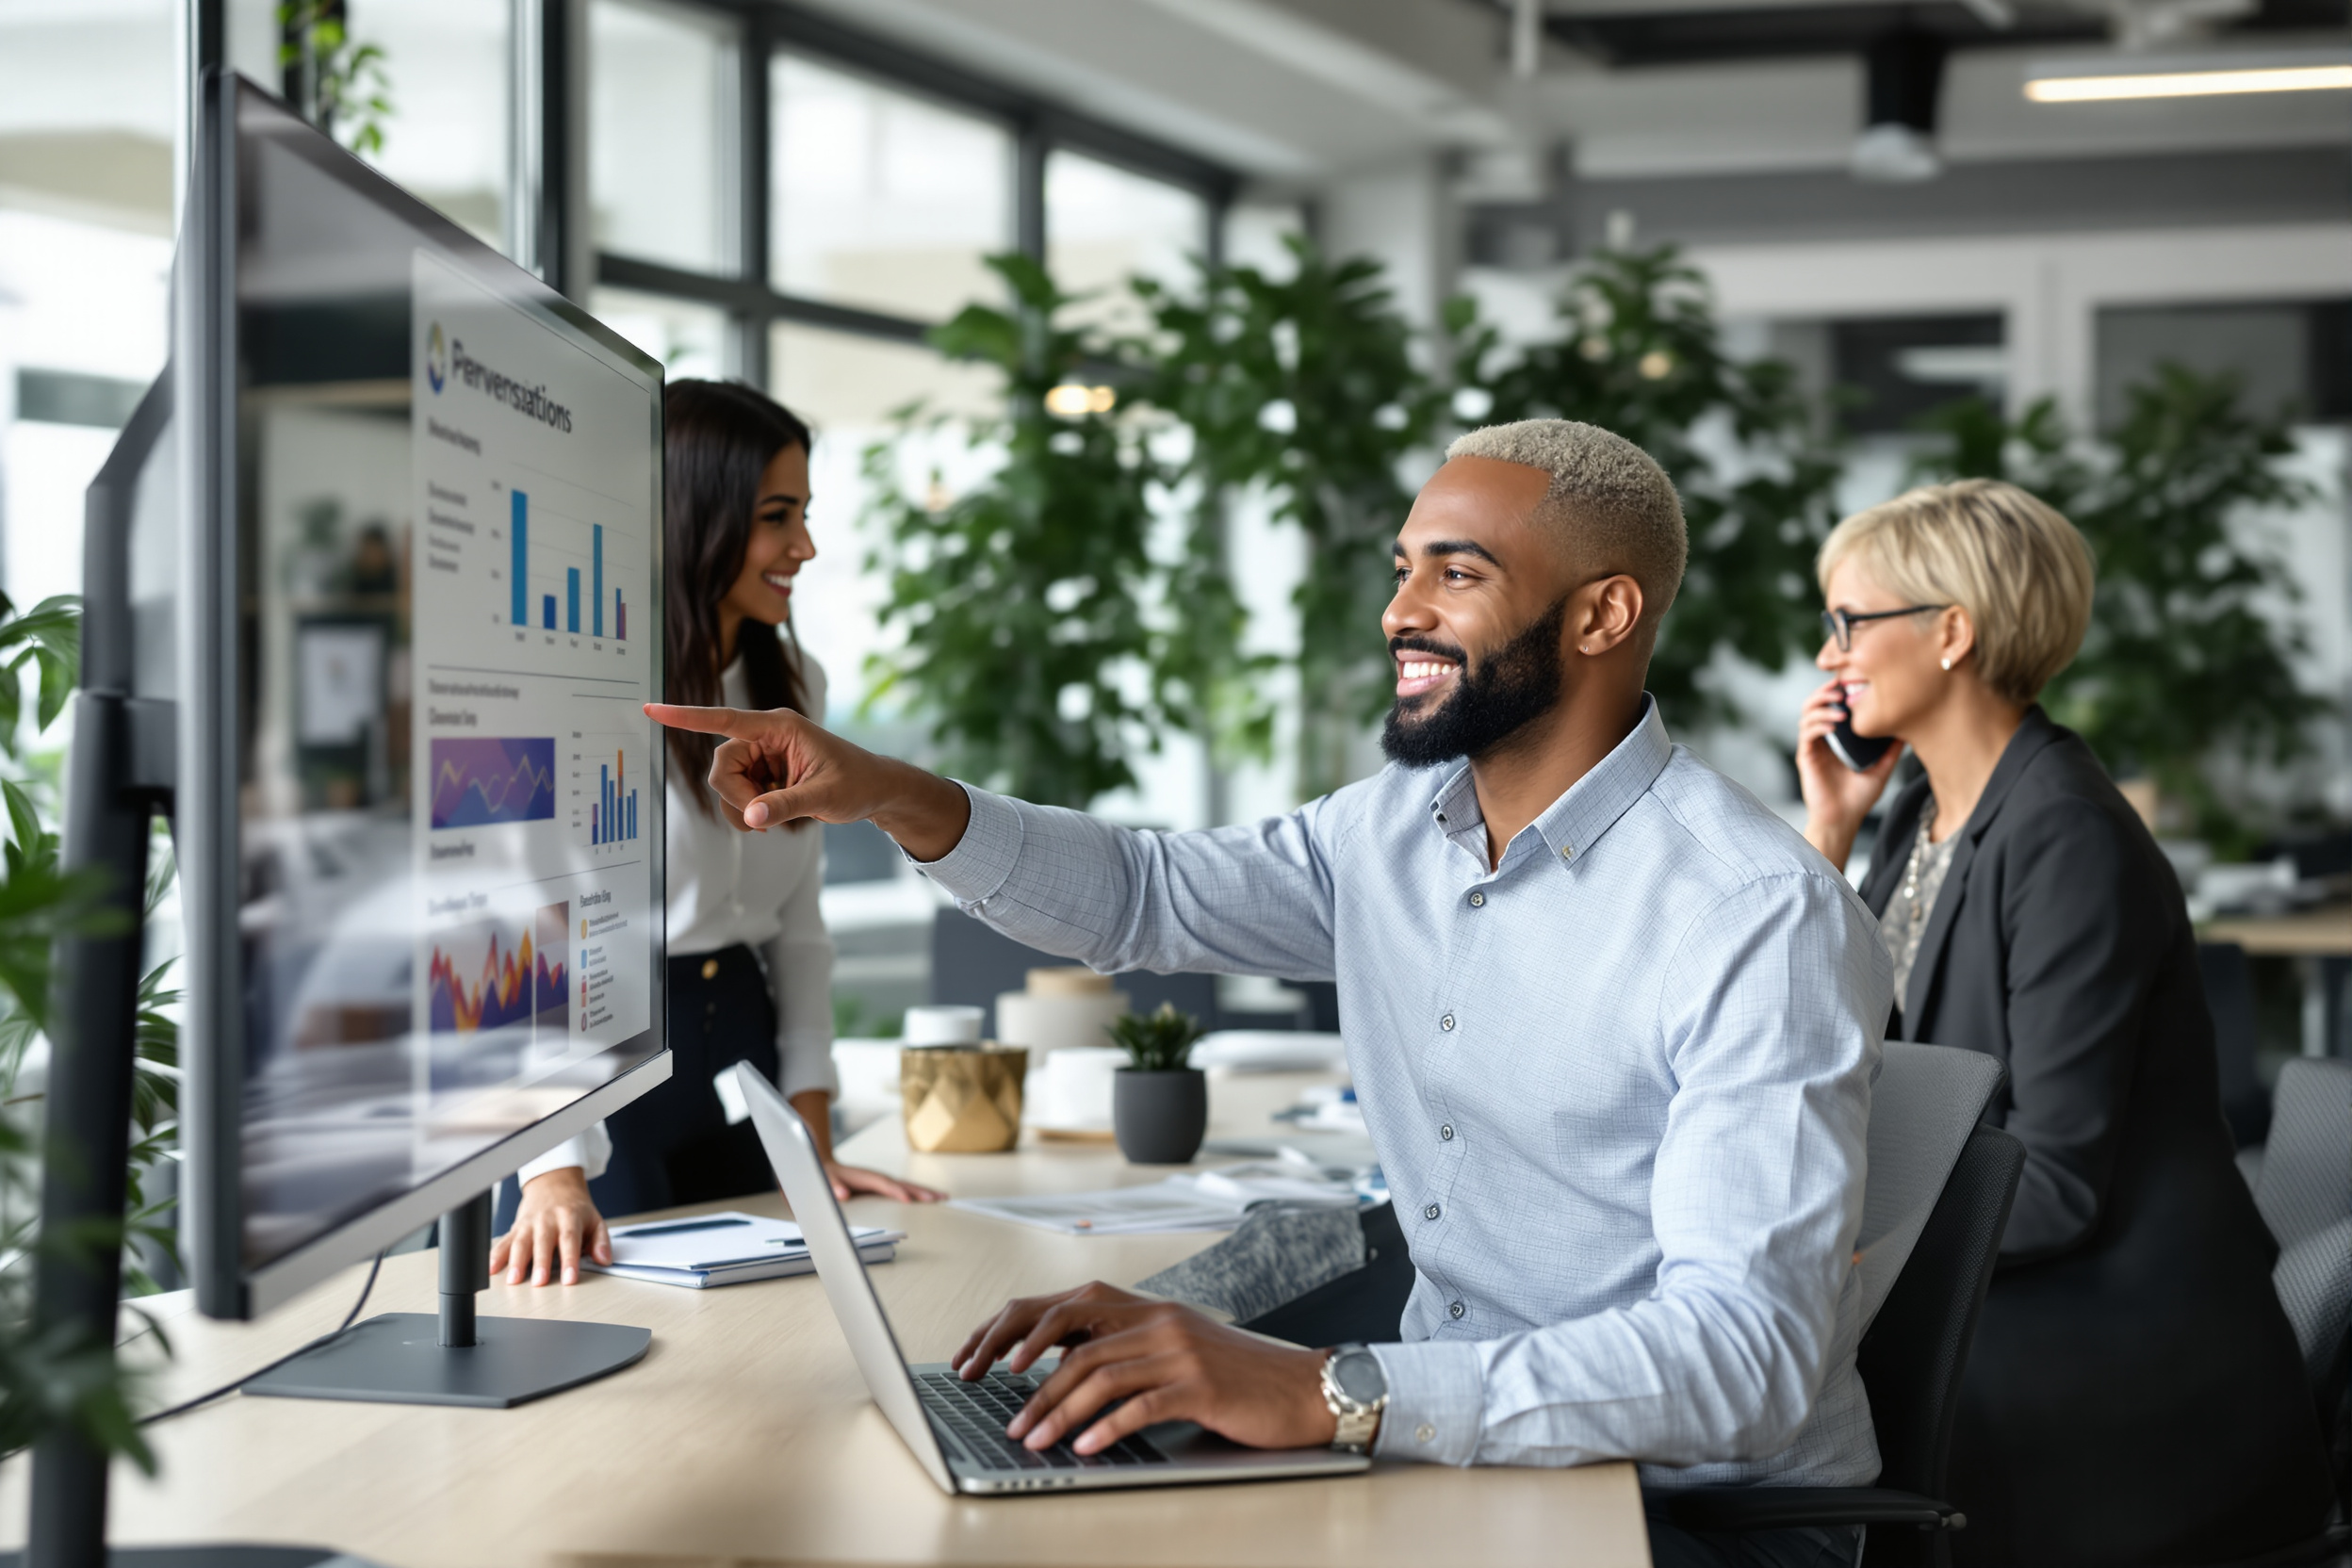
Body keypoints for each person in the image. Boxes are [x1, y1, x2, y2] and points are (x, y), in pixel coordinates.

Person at [655, 419, 1892, 1568]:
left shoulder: (1753, 918)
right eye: (1404, 569)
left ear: (1603, 614)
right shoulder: (1393, 830)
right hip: (1461, 1441)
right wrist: (886, 791)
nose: (1400, 611)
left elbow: (1748, 1355)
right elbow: (1142, 895)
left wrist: (1322, 1390)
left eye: (1455, 576)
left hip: (1690, 1516)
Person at [1794, 478, 2332, 1567]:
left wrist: (1829, 1255)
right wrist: (1830, 831)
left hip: (2115, 1373)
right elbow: (1814, 1040)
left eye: (1850, 620)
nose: (1827, 656)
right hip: (2006, 1311)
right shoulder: (1923, 812)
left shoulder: (2067, 837)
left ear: (1951, 631)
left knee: (1752, 1441)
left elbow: (2053, 1183)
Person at [492, 381, 939, 1289]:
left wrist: (812, 1139)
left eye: (805, 514)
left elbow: (800, 932)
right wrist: (551, 1167)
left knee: (796, 1309)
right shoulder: (581, 687)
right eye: (779, 517)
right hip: (609, 1053)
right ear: (692, 515)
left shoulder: (794, 686)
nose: (804, 547)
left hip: (743, 1036)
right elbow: (531, 927)